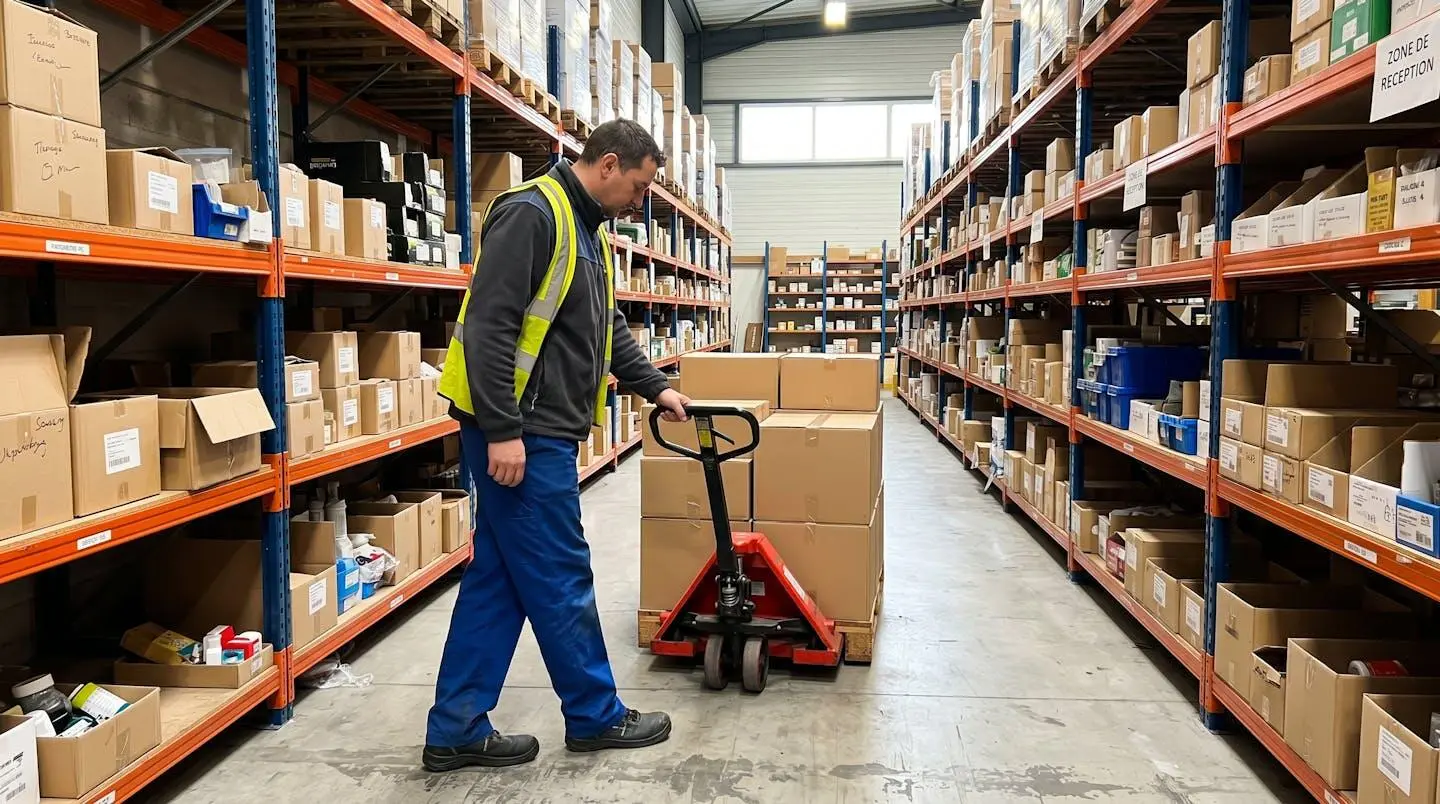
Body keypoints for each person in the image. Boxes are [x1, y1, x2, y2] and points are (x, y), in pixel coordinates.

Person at [425, 119, 691, 771]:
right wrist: (504, 431)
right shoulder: (531, 215)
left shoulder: (588, 229)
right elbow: (490, 330)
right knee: (561, 573)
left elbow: (606, 328)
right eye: (638, 184)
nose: (640, 200)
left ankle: (456, 726)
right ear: (606, 164)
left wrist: (655, 385)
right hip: (523, 431)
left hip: (543, 428)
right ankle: (595, 715)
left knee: (500, 581)